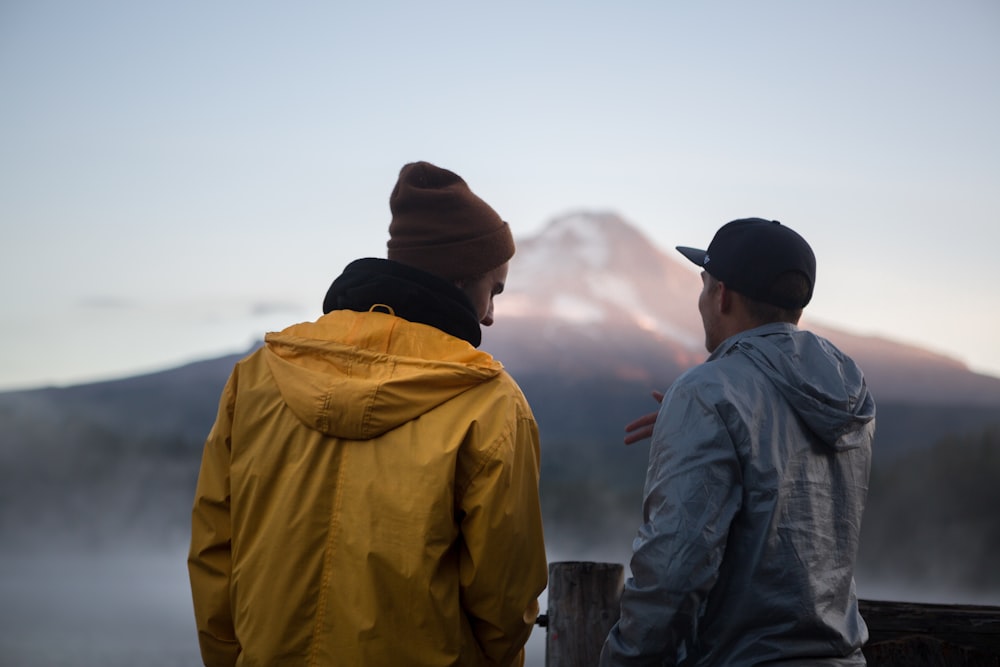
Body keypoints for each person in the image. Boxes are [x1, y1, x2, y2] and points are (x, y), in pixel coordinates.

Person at [188, 161, 548, 667]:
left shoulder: (256, 377)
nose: (490, 314)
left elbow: (213, 549)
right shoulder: (490, 402)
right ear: (463, 277)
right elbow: (504, 596)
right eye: (495, 289)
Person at [601, 218, 876, 666]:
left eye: (704, 284)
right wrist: (696, 420)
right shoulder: (850, 394)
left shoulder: (707, 393)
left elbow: (674, 568)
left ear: (721, 294)